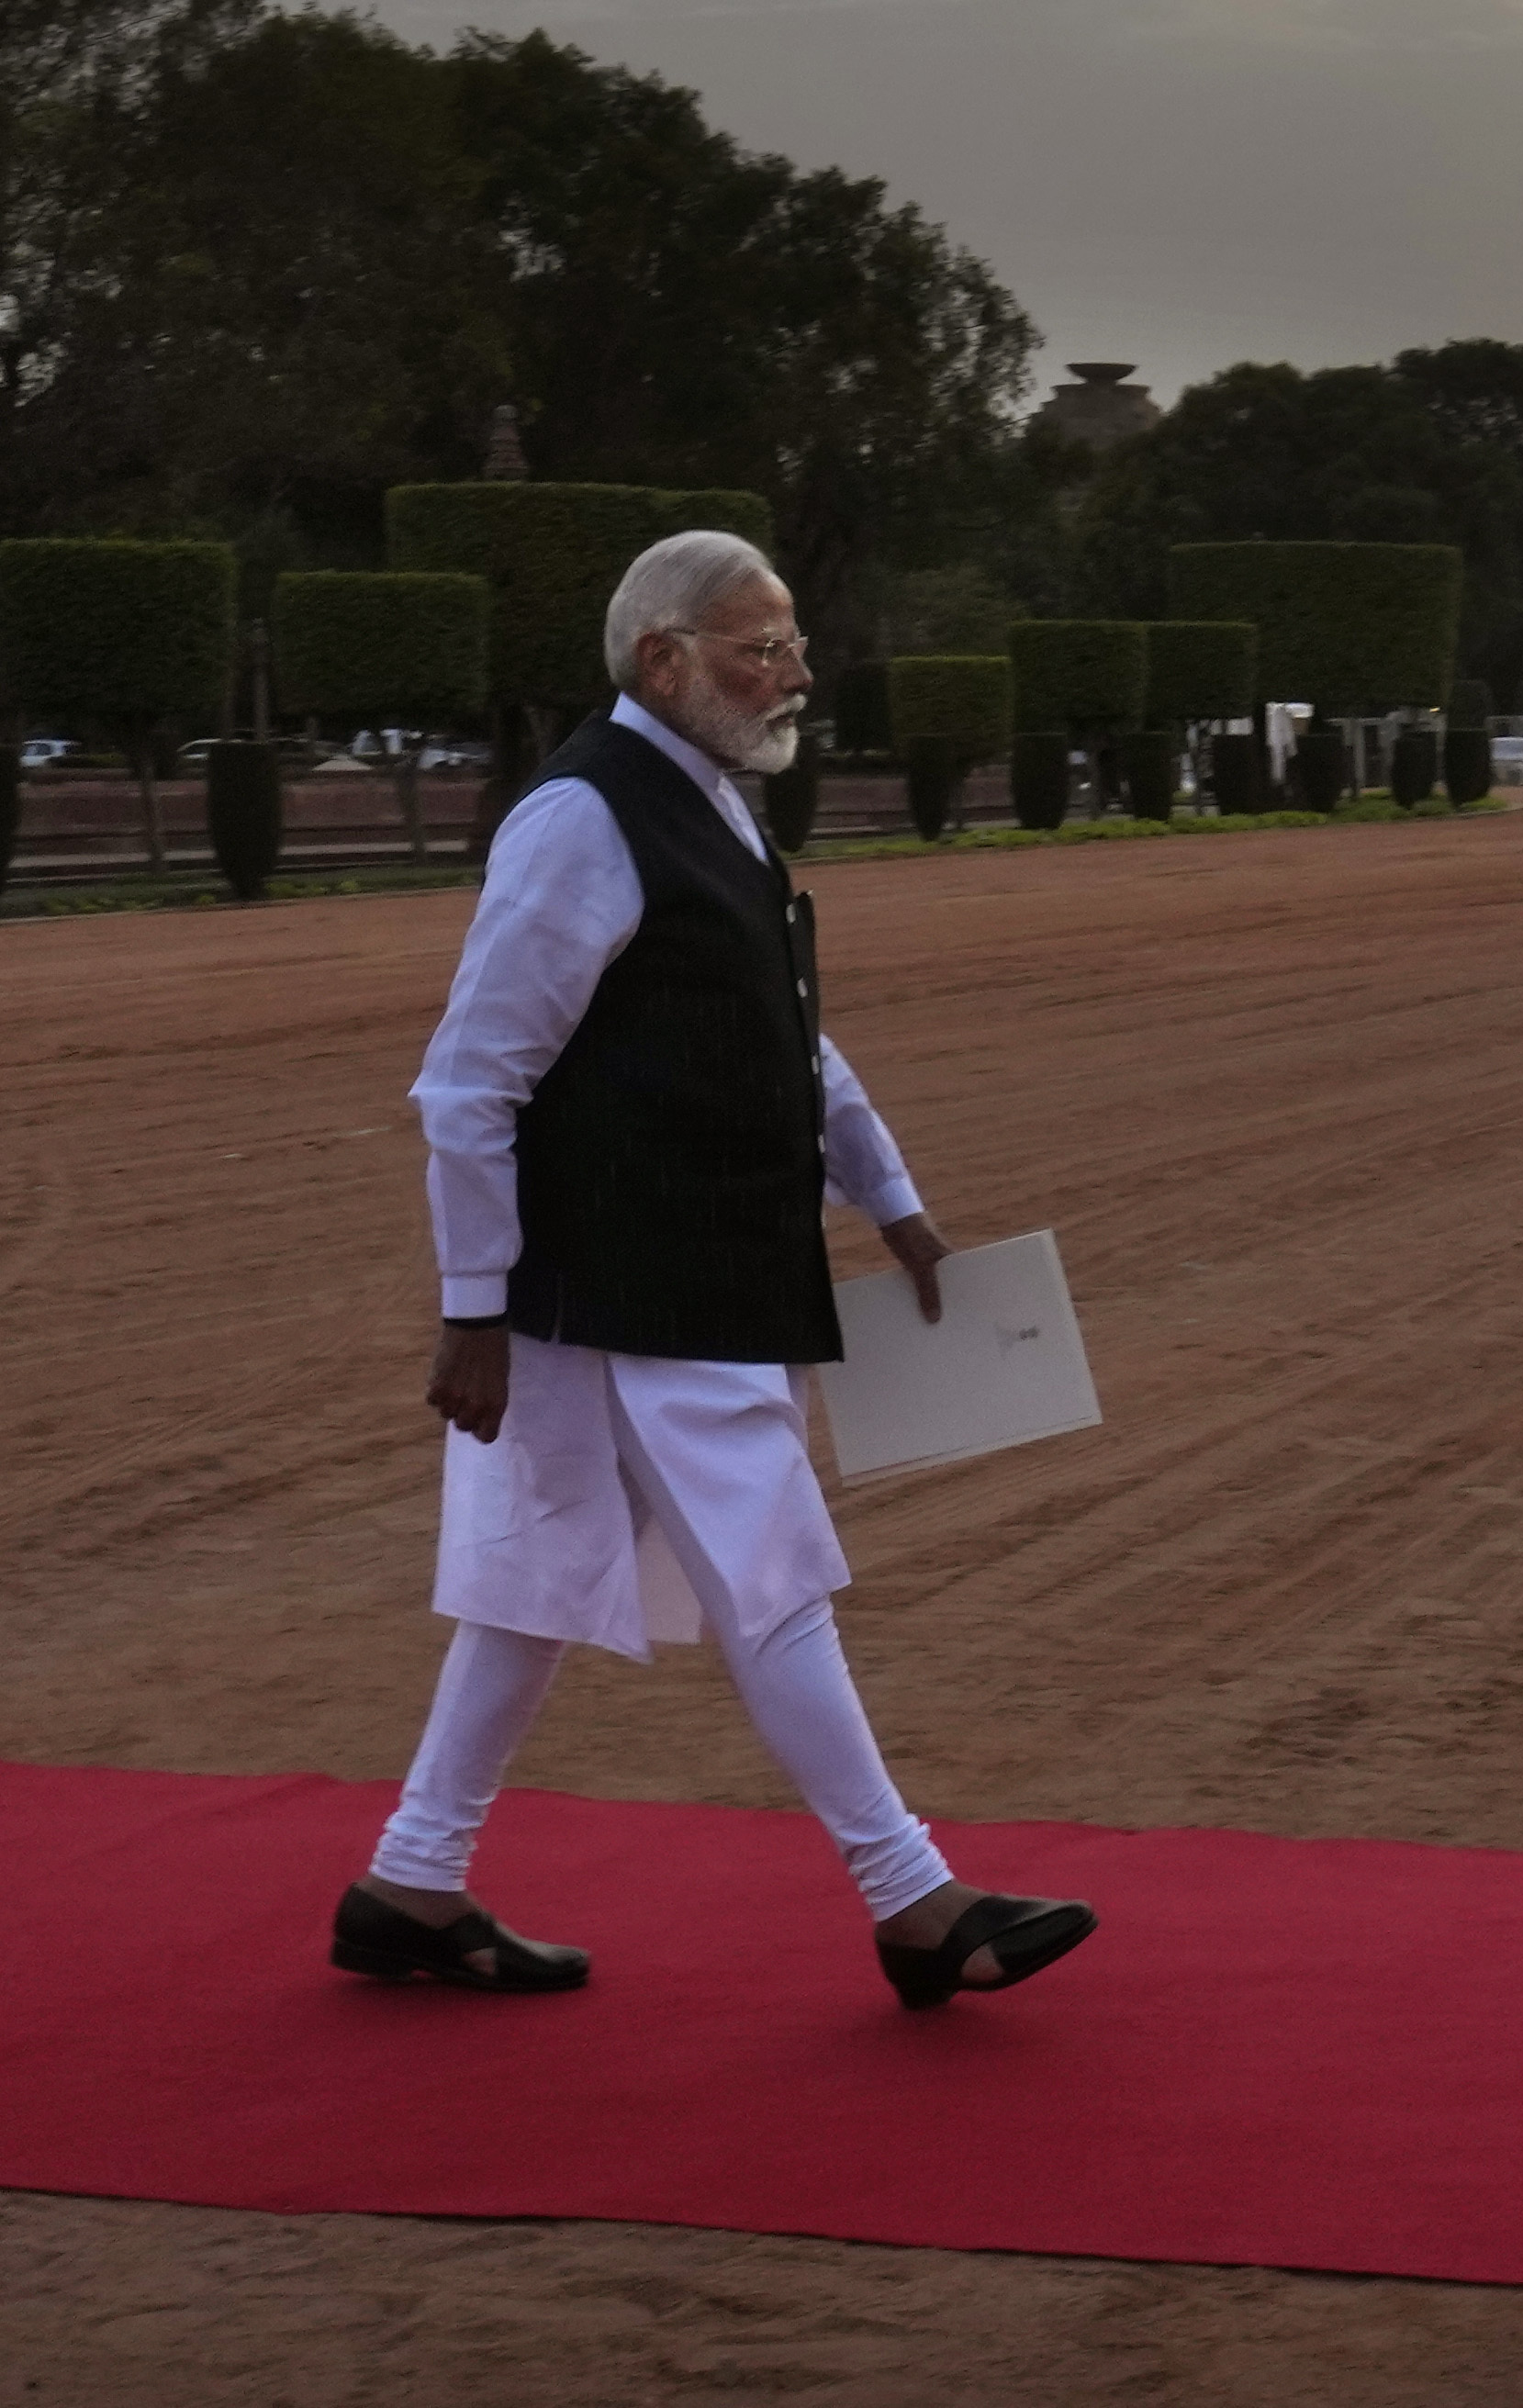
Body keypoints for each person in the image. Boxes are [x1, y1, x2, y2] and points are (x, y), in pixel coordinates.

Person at [330, 532, 1095, 2012]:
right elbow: (468, 1086)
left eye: (793, 642)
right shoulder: (583, 820)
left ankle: (411, 1885)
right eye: (759, 647)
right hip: (635, 1281)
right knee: (770, 1573)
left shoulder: (704, 806)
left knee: (535, 1585)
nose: (794, 671)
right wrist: (471, 1309)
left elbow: (777, 1032)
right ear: (659, 661)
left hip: (659, 1271)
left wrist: (894, 1201)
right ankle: (914, 1900)